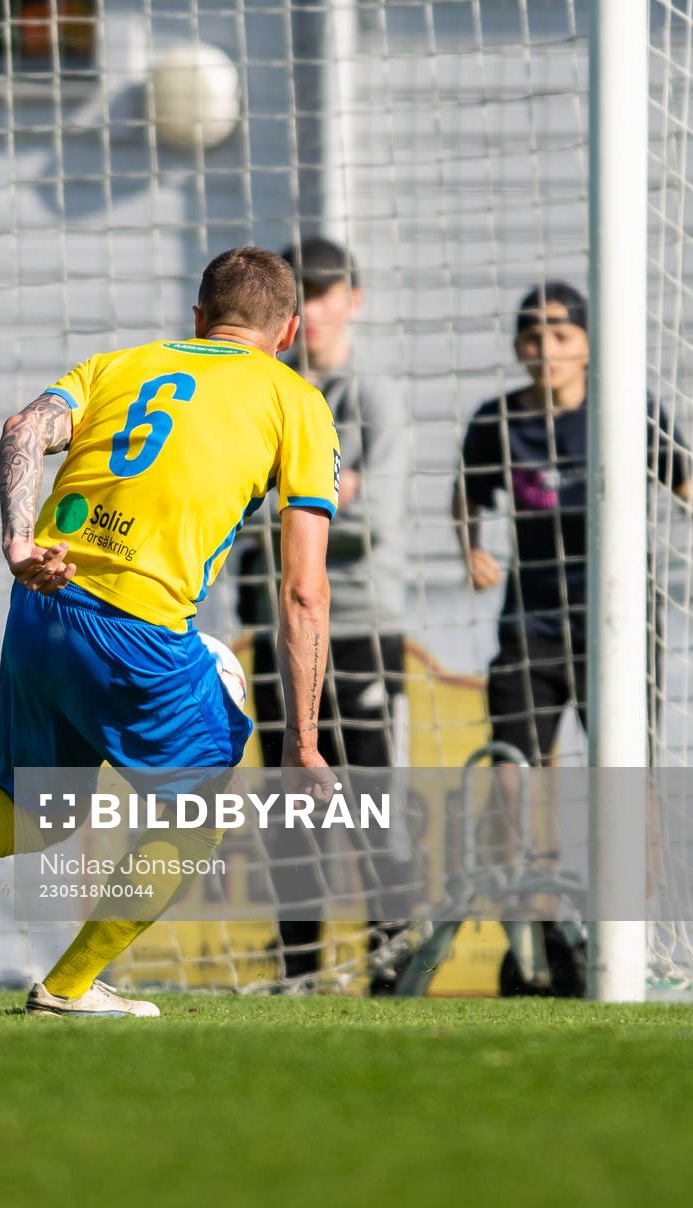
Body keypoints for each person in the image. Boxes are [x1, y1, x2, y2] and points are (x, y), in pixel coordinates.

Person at [0, 246, 340, 1016]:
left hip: (42, 605)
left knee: (35, 810)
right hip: (134, 627)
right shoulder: (296, 399)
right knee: (200, 813)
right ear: (289, 330)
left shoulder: (119, 364)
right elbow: (305, 590)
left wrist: (17, 541)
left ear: (199, 319)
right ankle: (69, 987)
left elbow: (23, 429)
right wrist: (304, 741)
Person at [454, 282, 693, 779]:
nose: (546, 350)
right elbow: (466, 497)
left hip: (617, 621)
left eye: (561, 336)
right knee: (512, 770)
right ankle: (526, 858)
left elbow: (682, 485)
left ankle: (641, 859)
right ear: (517, 348)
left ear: (588, 344)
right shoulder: (496, 420)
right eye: (533, 337)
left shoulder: (627, 407)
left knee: (628, 775)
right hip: (533, 621)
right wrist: (473, 551)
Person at [233, 236, 412, 989]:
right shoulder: (260, 396)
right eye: (302, 290)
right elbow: (230, 516)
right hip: (283, 628)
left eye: (330, 290)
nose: (315, 304)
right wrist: (315, 508)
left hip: (361, 628)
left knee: (369, 801)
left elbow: (378, 521)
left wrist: (284, 516)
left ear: (354, 300)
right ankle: (298, 969)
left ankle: (394, 961)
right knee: (288, 805)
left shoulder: (372, 398)